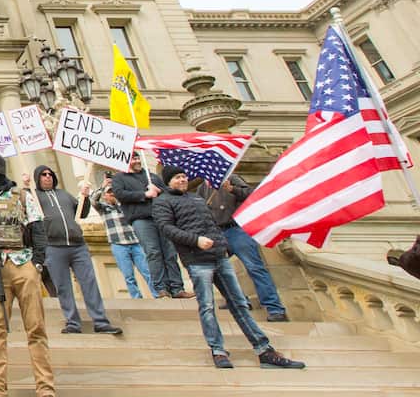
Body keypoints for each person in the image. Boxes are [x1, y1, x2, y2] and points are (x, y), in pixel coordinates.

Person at [153, 165, 305, 370]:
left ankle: (264, 350)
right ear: (168, 181)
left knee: (239, 304)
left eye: (183, 176)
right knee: (207, 307)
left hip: (219, 257)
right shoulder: (162, 202)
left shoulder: (196, 198)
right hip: (197, 261)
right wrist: (195, 240)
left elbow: (212, 225)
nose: (182, 180)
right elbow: (167, 229)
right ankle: (218, 350)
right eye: (177, 177)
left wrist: (222, 246)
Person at [0, 152, 53, 397]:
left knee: (35, 328)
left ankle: (45, 388)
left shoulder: (23, 196)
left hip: (23, 263)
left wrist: (37, 264)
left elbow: (38, 229)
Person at [33, 165, 122, 335]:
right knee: (63, 287)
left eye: (50, 174)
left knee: (89, 283)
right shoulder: (35, 196)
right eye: (43, 175)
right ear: (38, 178)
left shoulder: (64, 195)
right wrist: (27, 185)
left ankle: (101, 321)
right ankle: (72, 322)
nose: (47, 177)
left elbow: (82, 212)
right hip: (53, 247)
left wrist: (86, 197)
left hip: (77, 245)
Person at [197, 174, 289, 321]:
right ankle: (239, 300)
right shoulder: (202, 188)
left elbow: (253, 194)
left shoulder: (231, 178)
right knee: (219, 269)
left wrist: (232, 189)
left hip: (236, 230)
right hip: (217, 233)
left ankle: (275, 308)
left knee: (254, 267)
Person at [111, 152, 193, 299]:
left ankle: (177, 287)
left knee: (170, 252)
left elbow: (167, 191)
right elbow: (120, 194)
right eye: (133, 159)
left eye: (137, 158)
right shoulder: (119, 178)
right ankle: (161, 288)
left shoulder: (151, 176)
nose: (136, 161)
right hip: (141, 219)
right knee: (153, 252)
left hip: (161, 218)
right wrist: (144, 194)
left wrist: (159, 190)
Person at [92, 178, 154, 298]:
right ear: (105, 196)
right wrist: (102, 186)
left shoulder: (124, 206)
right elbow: (93, 200)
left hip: (135, 242)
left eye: (113, 192)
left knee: (147, 272)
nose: (112, 194)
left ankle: (156, 294)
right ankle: (137, 298)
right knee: (128, 275)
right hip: (118, 244)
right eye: (109, 192)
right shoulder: (103, 209)